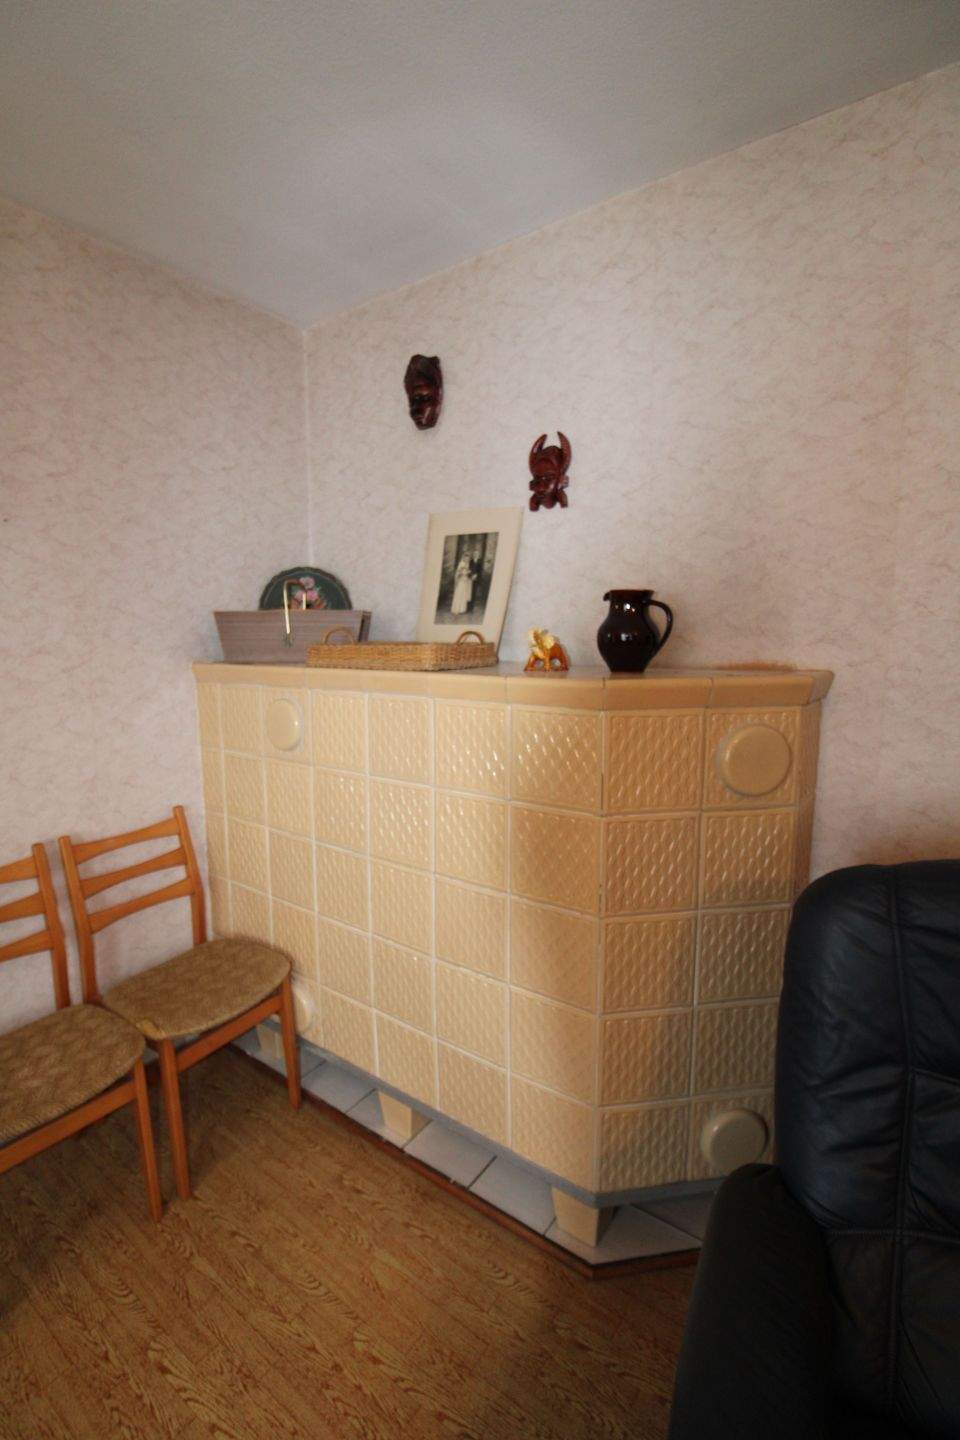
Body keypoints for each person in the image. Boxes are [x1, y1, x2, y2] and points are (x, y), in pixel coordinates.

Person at [451, 551, 475, 616]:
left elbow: (468, 572)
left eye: (468, 558)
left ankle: (462, 609)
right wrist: (465, 573)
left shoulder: (467, 564)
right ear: (464, 558)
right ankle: (457, 609)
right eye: (466, 558)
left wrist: (469, 574)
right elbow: (459, 572)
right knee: (459, 593)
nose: (467, 559)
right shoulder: (461, 563)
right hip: (461, 581)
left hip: (465, 581)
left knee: (464, 594)